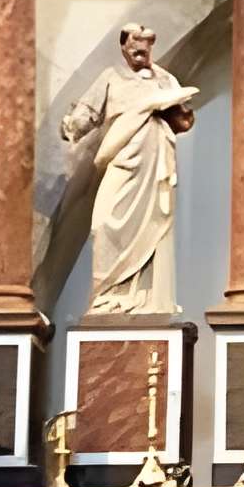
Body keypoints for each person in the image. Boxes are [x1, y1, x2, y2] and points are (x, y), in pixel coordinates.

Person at [61, 25, 198, 315]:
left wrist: (170, 106)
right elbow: (88, 113)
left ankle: (144, 299)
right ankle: (107, 295)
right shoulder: (111, 78)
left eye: (146, 46)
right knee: (103, 224)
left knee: (152, 228)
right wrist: (73, 124)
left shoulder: (164, 79)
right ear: (124, 48)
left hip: (154, 160)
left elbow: (183, 121)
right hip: (122, 159)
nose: (141, 52)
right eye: (135, 47)